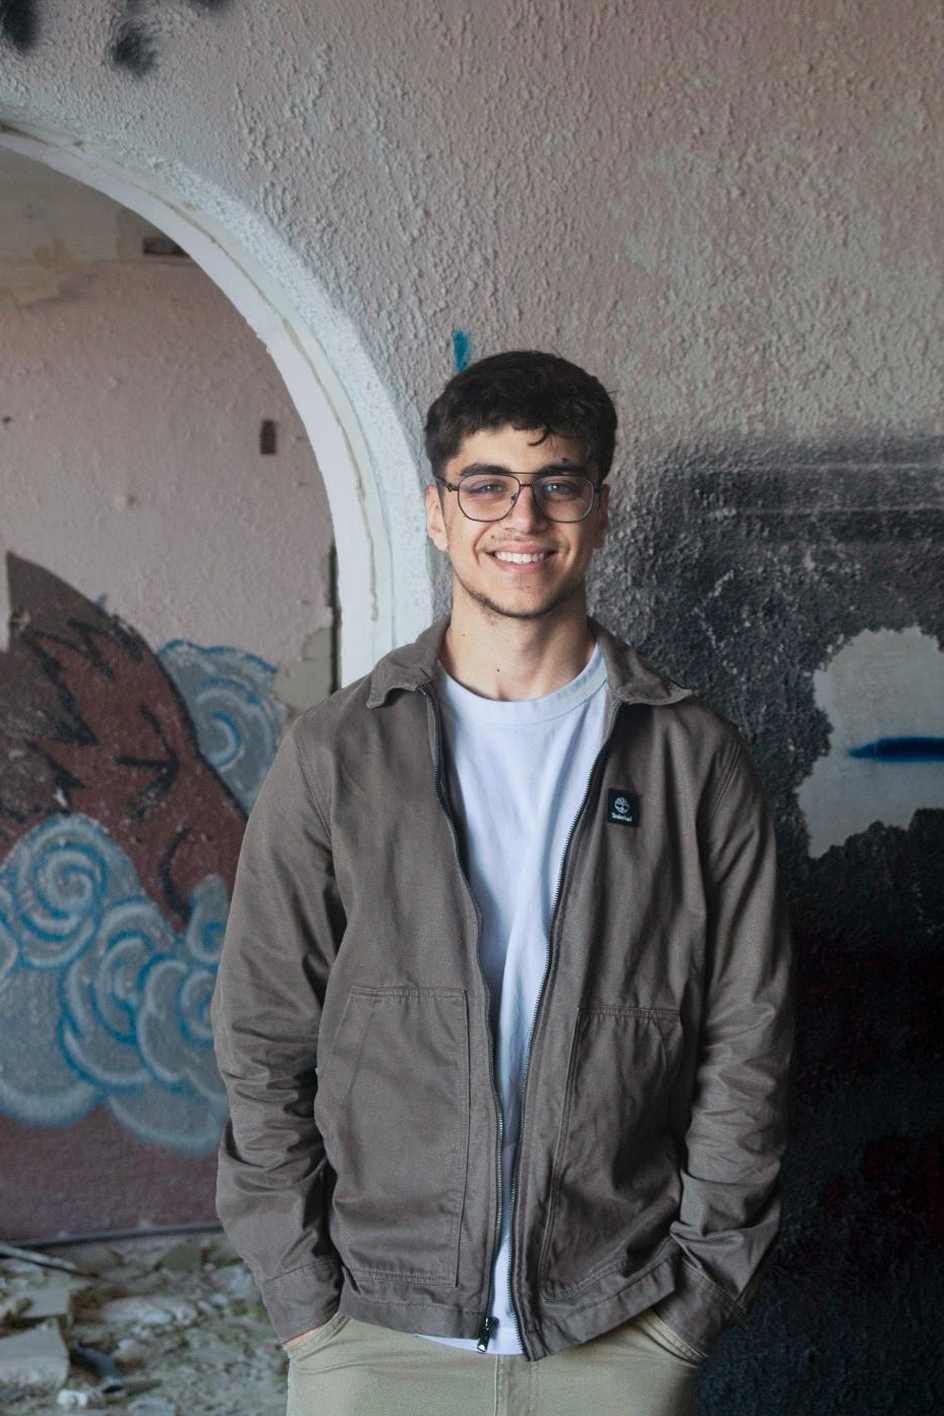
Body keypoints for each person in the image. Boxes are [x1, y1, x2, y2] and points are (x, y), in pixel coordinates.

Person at [210, 350, 795, 1416]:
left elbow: (746, 1037)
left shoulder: (690, 756)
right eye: (485, 485)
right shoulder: (337, 752)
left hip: (617, 1325)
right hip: (374, 1332)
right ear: (437, 513)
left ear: (598, 512)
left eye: (556, 484)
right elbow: (262, 1036)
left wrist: (696, 1299)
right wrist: (302, 1301)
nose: (521, 518)